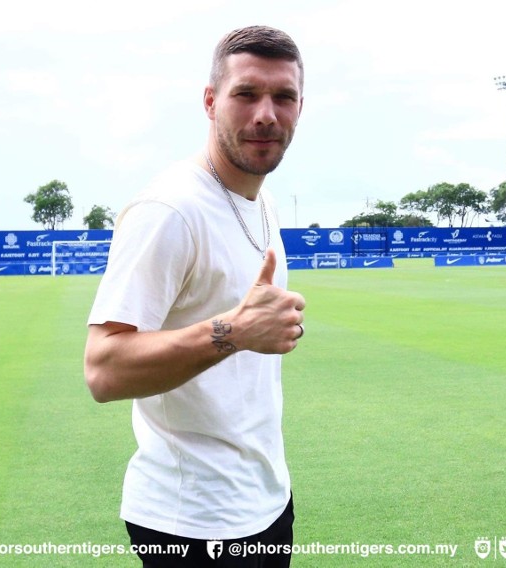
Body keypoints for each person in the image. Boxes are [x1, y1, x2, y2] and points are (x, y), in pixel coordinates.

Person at [83, 25, 306, 567]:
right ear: (210, 101)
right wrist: (233, 332)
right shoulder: (170, 210)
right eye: (246, 94)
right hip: (191, 522)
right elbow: (103, 370)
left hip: (265, 499)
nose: (266, 114)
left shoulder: (264, 200)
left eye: (284, 97)